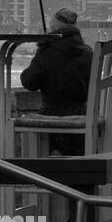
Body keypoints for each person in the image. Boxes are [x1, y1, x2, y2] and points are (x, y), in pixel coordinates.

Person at [20, 8, 94, 156]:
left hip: (52, 114)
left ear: (53, 29)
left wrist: (41, 54)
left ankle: (39, 168)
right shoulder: (88, 52)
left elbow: (29, 82)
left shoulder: (48, 52)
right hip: (85, 115)